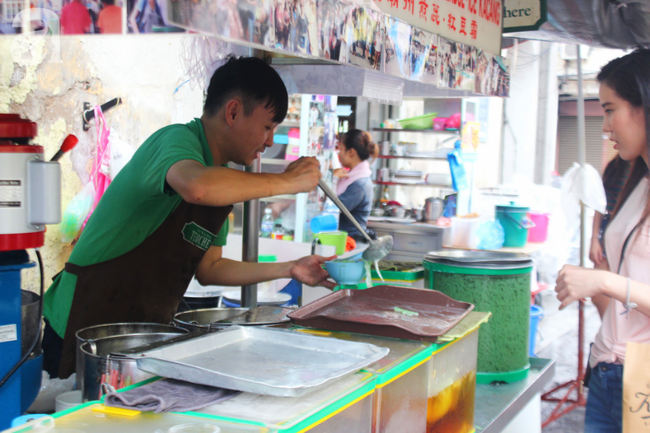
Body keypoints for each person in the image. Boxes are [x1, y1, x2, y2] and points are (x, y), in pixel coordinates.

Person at [42, 56, 335, 379]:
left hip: (137, 337)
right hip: (79, 328)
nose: (268, 141)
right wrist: (288, 182)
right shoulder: (176, 142)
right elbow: (196, 186)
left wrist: (289, 269)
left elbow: (211, 269)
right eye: (267, 127)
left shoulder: (221, 179)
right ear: (233, 112)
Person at [554, 49, 650, 433]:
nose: (605, 127)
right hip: (608, 372)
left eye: (610, 110)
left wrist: (603, 281)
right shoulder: (637, 181)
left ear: (644, 105)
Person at [588, 154, 631, 317]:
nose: (608, 129)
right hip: (609, 230)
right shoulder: (614, 167)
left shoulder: (643, 171)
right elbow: (600, 204)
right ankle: (607, 333)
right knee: (599, 294)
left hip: (631, 233)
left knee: (625, 293)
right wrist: (594, 239)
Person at [332, 129, 378, 242]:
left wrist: (333, 179)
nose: (339, 154)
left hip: (350, 243)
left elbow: (333, 209)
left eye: (342, 149)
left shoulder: (359, 184)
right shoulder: (354, 176)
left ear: (351, 152)